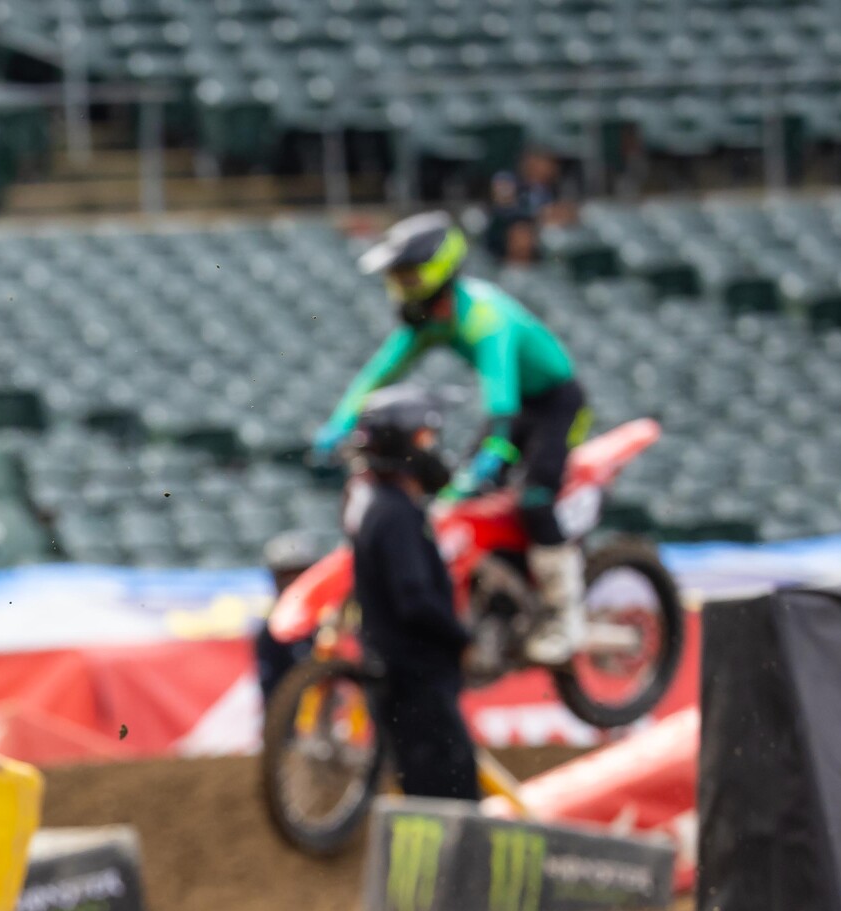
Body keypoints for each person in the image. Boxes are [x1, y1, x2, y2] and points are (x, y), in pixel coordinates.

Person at [312, 212, 592, 664]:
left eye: (406, 274)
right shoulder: (429, 322)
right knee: (457, 496)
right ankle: (500, 594)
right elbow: (379, 374)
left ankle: (565, 616)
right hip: (513, 408)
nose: (400, 286)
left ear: (435, 270)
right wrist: (341, 423)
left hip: (553, 403)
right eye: (395, 277)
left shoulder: (485, 315)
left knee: (535, 499)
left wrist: (497, 448)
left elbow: (500, 395)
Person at [340, 386, 479, 803]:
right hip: (416, 686)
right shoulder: (395, 513)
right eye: (424, 437)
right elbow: (414, 600)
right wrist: (462, 637)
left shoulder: (381, 506)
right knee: (451, 805)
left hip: (404, 687)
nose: (432, 447)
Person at [254, 532, 318, 700]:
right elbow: (271, 691)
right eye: (286, 576)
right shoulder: (272, 630)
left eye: (299, 574)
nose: (293, 582)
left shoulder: (331, 619)